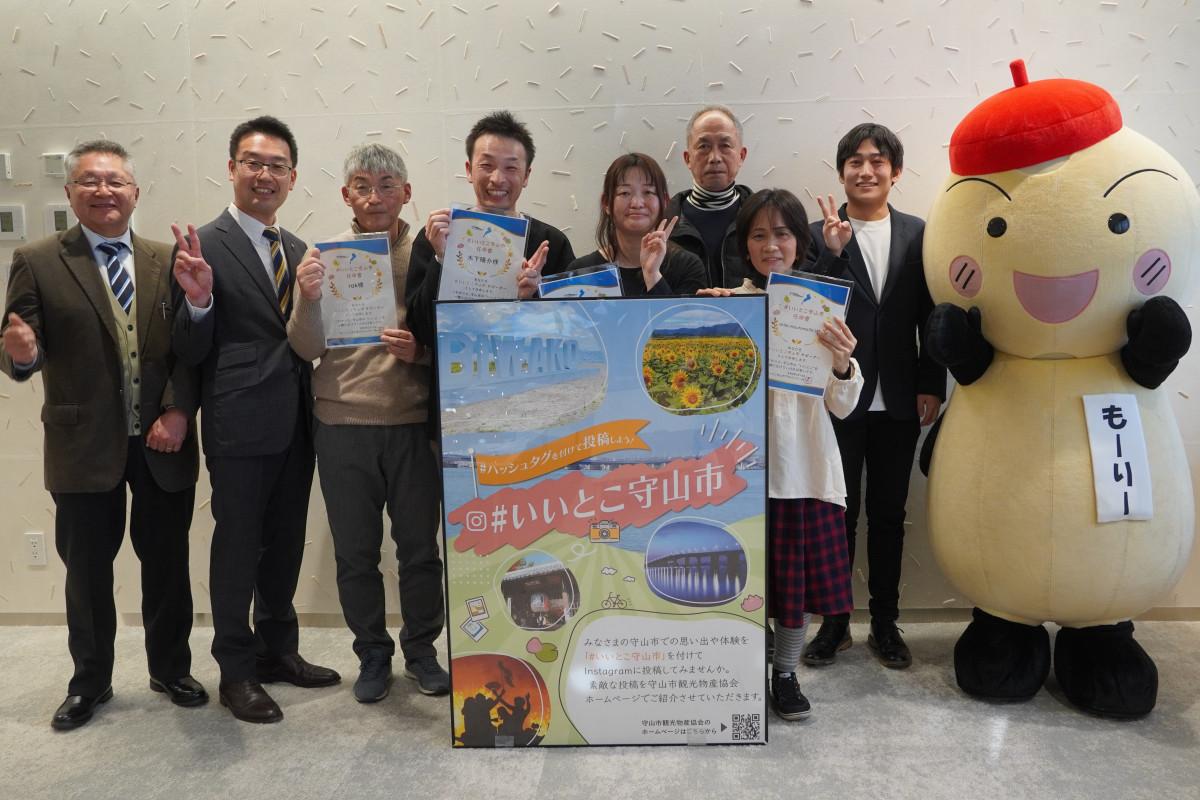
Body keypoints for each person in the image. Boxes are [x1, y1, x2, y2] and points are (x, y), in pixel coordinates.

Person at [1, 140, 206, 730]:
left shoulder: (168, 259)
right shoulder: (38, 260)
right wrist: (21, 354)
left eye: (115, 181)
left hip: (162, 440)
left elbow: (191, 351)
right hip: (82, 445)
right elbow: (20, 347)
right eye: (89, 181)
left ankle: (171, 669)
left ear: (135, 193)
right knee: (87, 571)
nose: (103, 190)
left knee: (166, 563)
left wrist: (178, 411)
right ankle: (90, 682)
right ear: (70, 193)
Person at [171, 115, 339, 724]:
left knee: (285, 544)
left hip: (298, 421)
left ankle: (277, 651)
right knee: (238, 548)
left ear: (292, 177)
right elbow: (186, 350)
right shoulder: (203, 246)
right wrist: (198, 301)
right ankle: (236, 671)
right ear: (232, 168)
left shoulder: (296, 248)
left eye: (277, 166)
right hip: (238, 421)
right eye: (253, 163)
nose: (265, 175)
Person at [286, 143, 449, 703]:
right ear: (346, 195)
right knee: (355, 553)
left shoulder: (428, 253)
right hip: (341, 421)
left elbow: (456, 336)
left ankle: (422, 651)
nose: (374, 197)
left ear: (406, 193)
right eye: (362, 186)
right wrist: (308, 298)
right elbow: (305, 347)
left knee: (419, 550)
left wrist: (420, 354)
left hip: (411, 420)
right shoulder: (324, 257)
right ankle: (372, 655)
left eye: (386, 186)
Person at [701, 189, 861, 720]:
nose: (772, 245)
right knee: (738, 584)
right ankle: (745, 668)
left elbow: (843, 406)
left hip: (801, 470)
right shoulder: (729, 303)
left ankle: (786, 673)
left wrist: (842, 363)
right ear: (745, 246)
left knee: (794, 590)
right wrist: (705, 318)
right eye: (759, 235)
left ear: (800, 242)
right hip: (738, 475)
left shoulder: (822, 308)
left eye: (783, 233)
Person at [802, 124, 946, 670]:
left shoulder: (918, 233)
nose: (866, 170)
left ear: (895, 172)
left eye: (877, 161)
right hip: (838, 397)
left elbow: (931, 313)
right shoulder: (819, 234)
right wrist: (833, 254)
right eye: (855, 162)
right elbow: (807, 306)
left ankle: (885, 623)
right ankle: (835, 624)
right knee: (837, 514)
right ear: (841, 172)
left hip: (902, 398)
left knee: (889, 515)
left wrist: (932, 382)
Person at [405, 110, 575, 350]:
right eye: (486, 165)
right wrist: (442, 259)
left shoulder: (551, 243)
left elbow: (571, 329)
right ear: (469, 170)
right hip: (457, 371)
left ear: (527, 175)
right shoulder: (437, 236)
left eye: (511, 168)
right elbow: (422, 332)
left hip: (524, 372)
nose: (497, 178)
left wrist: (534, 296)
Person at [566, 152, 707, 296]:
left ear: (664, 201)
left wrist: (652, 275)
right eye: (625, 193)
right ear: (606, 203)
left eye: (648, 192)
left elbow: (675, 312)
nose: (637, 203)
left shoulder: (688, 267)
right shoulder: (580, 272)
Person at [666, 104, 754, 288]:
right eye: (704, 146)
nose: (715, 157)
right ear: (688, 158)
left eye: (725, 145)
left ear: (741, 156)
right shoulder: (664, 224)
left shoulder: (761, 220)